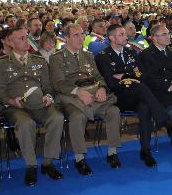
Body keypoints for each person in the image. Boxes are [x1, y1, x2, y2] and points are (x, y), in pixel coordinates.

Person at [95, 24, 172, 166]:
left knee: (145, 106)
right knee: (141, 88)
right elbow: (111, 83)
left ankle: (145, 151)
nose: (126, 36)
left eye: (124, 33)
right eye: (121, 34)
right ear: (111, 37)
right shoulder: (103, 56)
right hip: (119, 97)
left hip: (136, 95)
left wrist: (124, 76)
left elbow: (141, 75)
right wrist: (130, 77)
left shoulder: (130, 52)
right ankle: (168, 123)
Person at [0, 27, 65, 186]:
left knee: (57, 117)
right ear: (11, 43)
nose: (27, 41)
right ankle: (31, 165)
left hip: (40, 104)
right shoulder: (1, 63)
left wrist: (48, 96)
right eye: (21, 38)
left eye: (26, 37)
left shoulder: (39, 61)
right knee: (26, 123)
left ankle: (47, 162)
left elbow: (48, 86)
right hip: (16, 107)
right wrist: (11, 101)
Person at [49, 24, 121, 175]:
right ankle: (79, 158)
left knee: (114, 110)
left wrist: (102, 88)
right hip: (70, 97)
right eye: (76, 35)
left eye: (82, 34)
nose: (80, 38)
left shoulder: (88, 55)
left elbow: (98, 77)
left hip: (92, 95)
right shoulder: (56, 58)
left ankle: (112, 152)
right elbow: (58, 84)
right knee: (77, 116)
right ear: (66, 38)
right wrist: (77, 91)